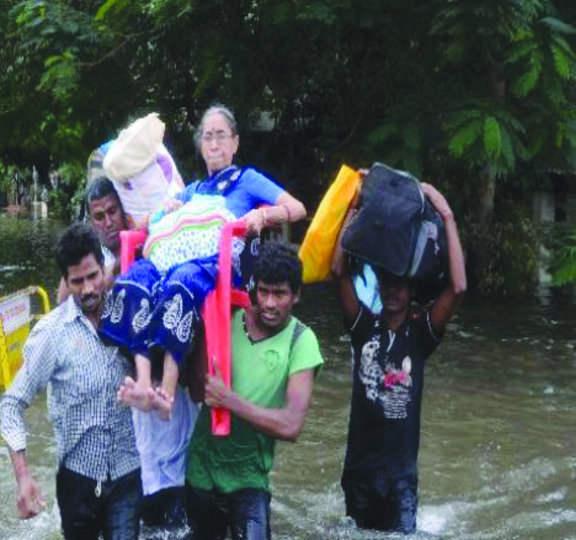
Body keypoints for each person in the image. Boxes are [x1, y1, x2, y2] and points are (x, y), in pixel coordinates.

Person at [103, 105, 307, 420]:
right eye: (208, 137)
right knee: (137, 278)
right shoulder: (193, 191)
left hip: (221, 261)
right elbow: (147, 226)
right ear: (200, 145)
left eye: (221, 136)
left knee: (182, 280)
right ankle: (144, 384)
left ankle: (166, 393)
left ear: (235, 143)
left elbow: (296, 208)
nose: (214, 144)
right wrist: (167, 208)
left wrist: (263, 214)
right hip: (181, 256)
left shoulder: (247, 179)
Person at [331, 182, 467, 534]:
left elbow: (458, 287)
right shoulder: (363, 327)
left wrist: (447, 215)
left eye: (400, 284)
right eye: (386, 282)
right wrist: (354, 211)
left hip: (400, 480)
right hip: (359, 473)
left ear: (412, 290)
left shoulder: (421, 336)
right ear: (377, 286)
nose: (392, 290)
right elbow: (338, 272)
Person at [0, 223, 141, 539]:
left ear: (105, 268)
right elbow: (11, 404)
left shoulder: (131, 314)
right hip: (77, 481)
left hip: (127, 473)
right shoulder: (52, 334)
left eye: (94, 276)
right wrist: (23, 476)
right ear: (65, 281)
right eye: (78, 281)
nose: (89, 288)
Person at [185, 241, 324, 539]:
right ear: (253, 289)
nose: (270, 303)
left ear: (296, 294)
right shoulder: (229, 318)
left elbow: (291, 425)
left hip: (250, 479)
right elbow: (198, 393)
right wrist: (205, 324)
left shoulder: (302, 340)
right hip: (201, 471)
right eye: (263, 291)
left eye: (280, 293)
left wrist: (230, 400)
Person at [57, 178, 127, 303]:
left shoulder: (144, 243)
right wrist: (119, 266)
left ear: (123, 209)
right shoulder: (84, 252)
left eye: (112, 211)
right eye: (99, 217)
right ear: (91, 222)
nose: (109, 223)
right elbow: (62, 304)